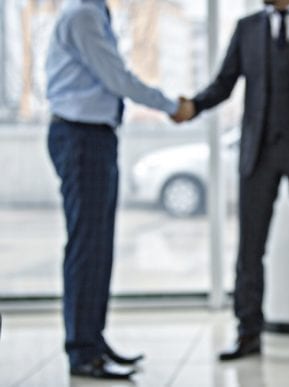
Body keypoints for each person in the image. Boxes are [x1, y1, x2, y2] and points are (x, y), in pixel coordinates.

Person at [190, 0, 289, 361]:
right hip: (258, 152)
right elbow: (224, 83)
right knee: (250, 248)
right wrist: (193, 106)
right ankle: (248, 333)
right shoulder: (246, 28)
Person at [45, 0, 193, 380]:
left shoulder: (92, 12)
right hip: (81, 137)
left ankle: (92, 341)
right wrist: (169, 105)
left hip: (92, 136)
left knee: (97, 245)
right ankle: (82, 349)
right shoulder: (82, 14)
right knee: (88, 245)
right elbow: (116, 78)